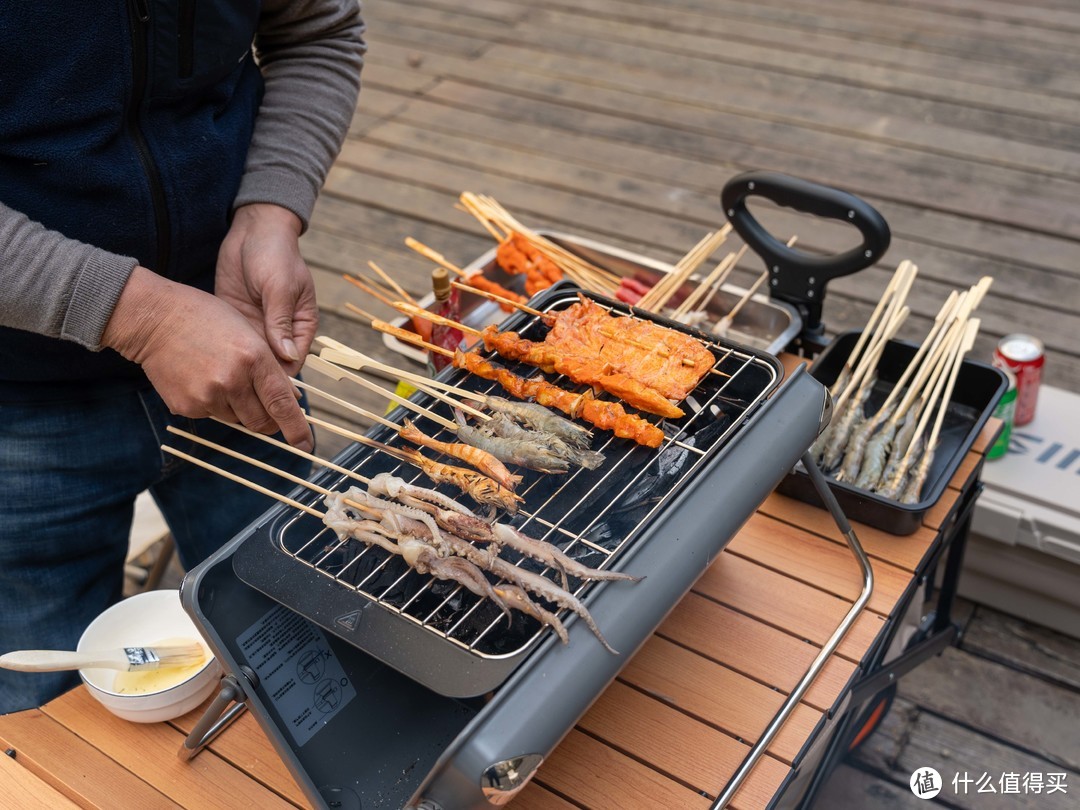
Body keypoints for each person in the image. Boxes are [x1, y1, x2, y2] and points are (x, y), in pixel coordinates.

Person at [0, 1, 365, 714]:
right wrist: (143, 317)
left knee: (308, 662)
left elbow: (318, 30)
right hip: (19, 393)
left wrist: (270, 209)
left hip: (236, 346)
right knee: (42, 715)